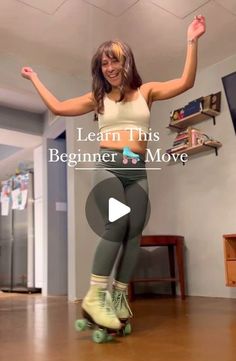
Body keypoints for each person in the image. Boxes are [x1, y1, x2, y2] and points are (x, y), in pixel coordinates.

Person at [21, 15, 206, 333]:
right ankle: (95, 295)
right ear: (100, 69)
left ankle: (118, 297)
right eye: (103, 63)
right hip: (109, 165)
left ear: (126, 62)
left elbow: (185, 82)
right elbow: (58, 107)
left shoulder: (147, 92)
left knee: (134, 235)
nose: (109, 67)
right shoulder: (98, 99)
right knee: (117, 224)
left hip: (138, 170)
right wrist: (35, 78)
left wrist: (192, 40)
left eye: (114, 60)